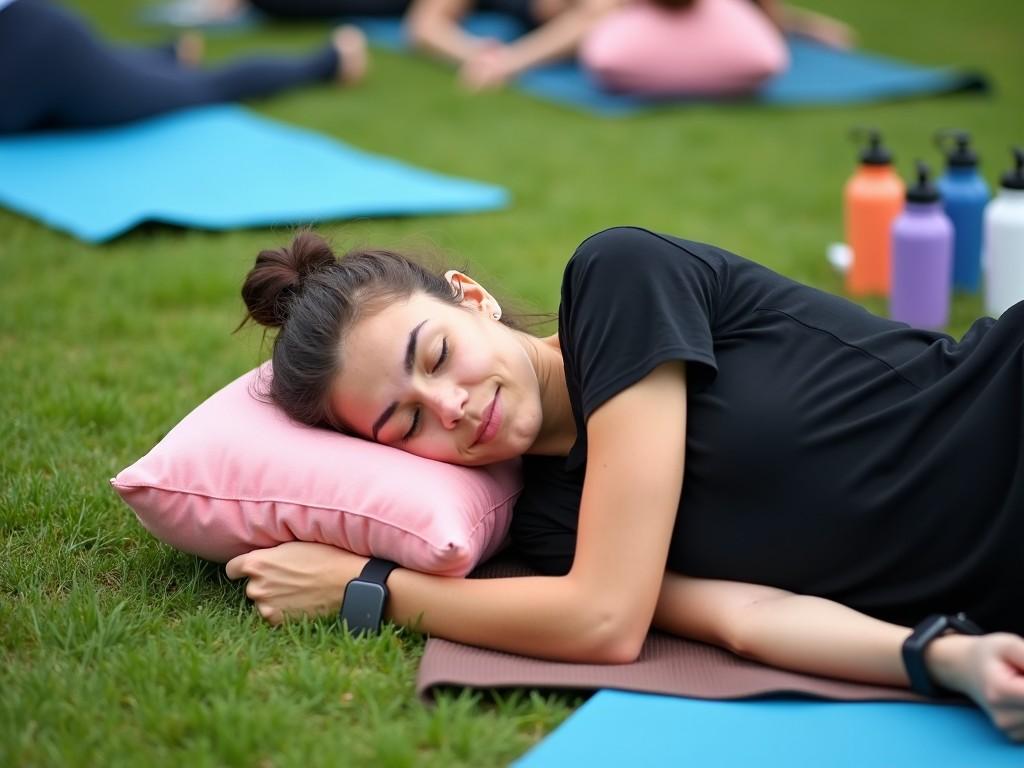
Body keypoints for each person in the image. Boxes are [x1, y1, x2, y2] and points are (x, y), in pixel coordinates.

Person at [226, 226, 1024, 741]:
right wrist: (942, 657)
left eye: (435, 356)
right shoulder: (550, 534)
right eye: (404, 425)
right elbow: (749, 617)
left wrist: (367, 591)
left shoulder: (621, 280)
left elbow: (605, 617)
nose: (452, 409)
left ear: (472, 299)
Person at [0, 0, 367, 134]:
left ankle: (331, 60)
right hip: (31, 39)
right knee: (106, 74)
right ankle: (168, 54)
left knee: (204, 89)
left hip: (38, 52)